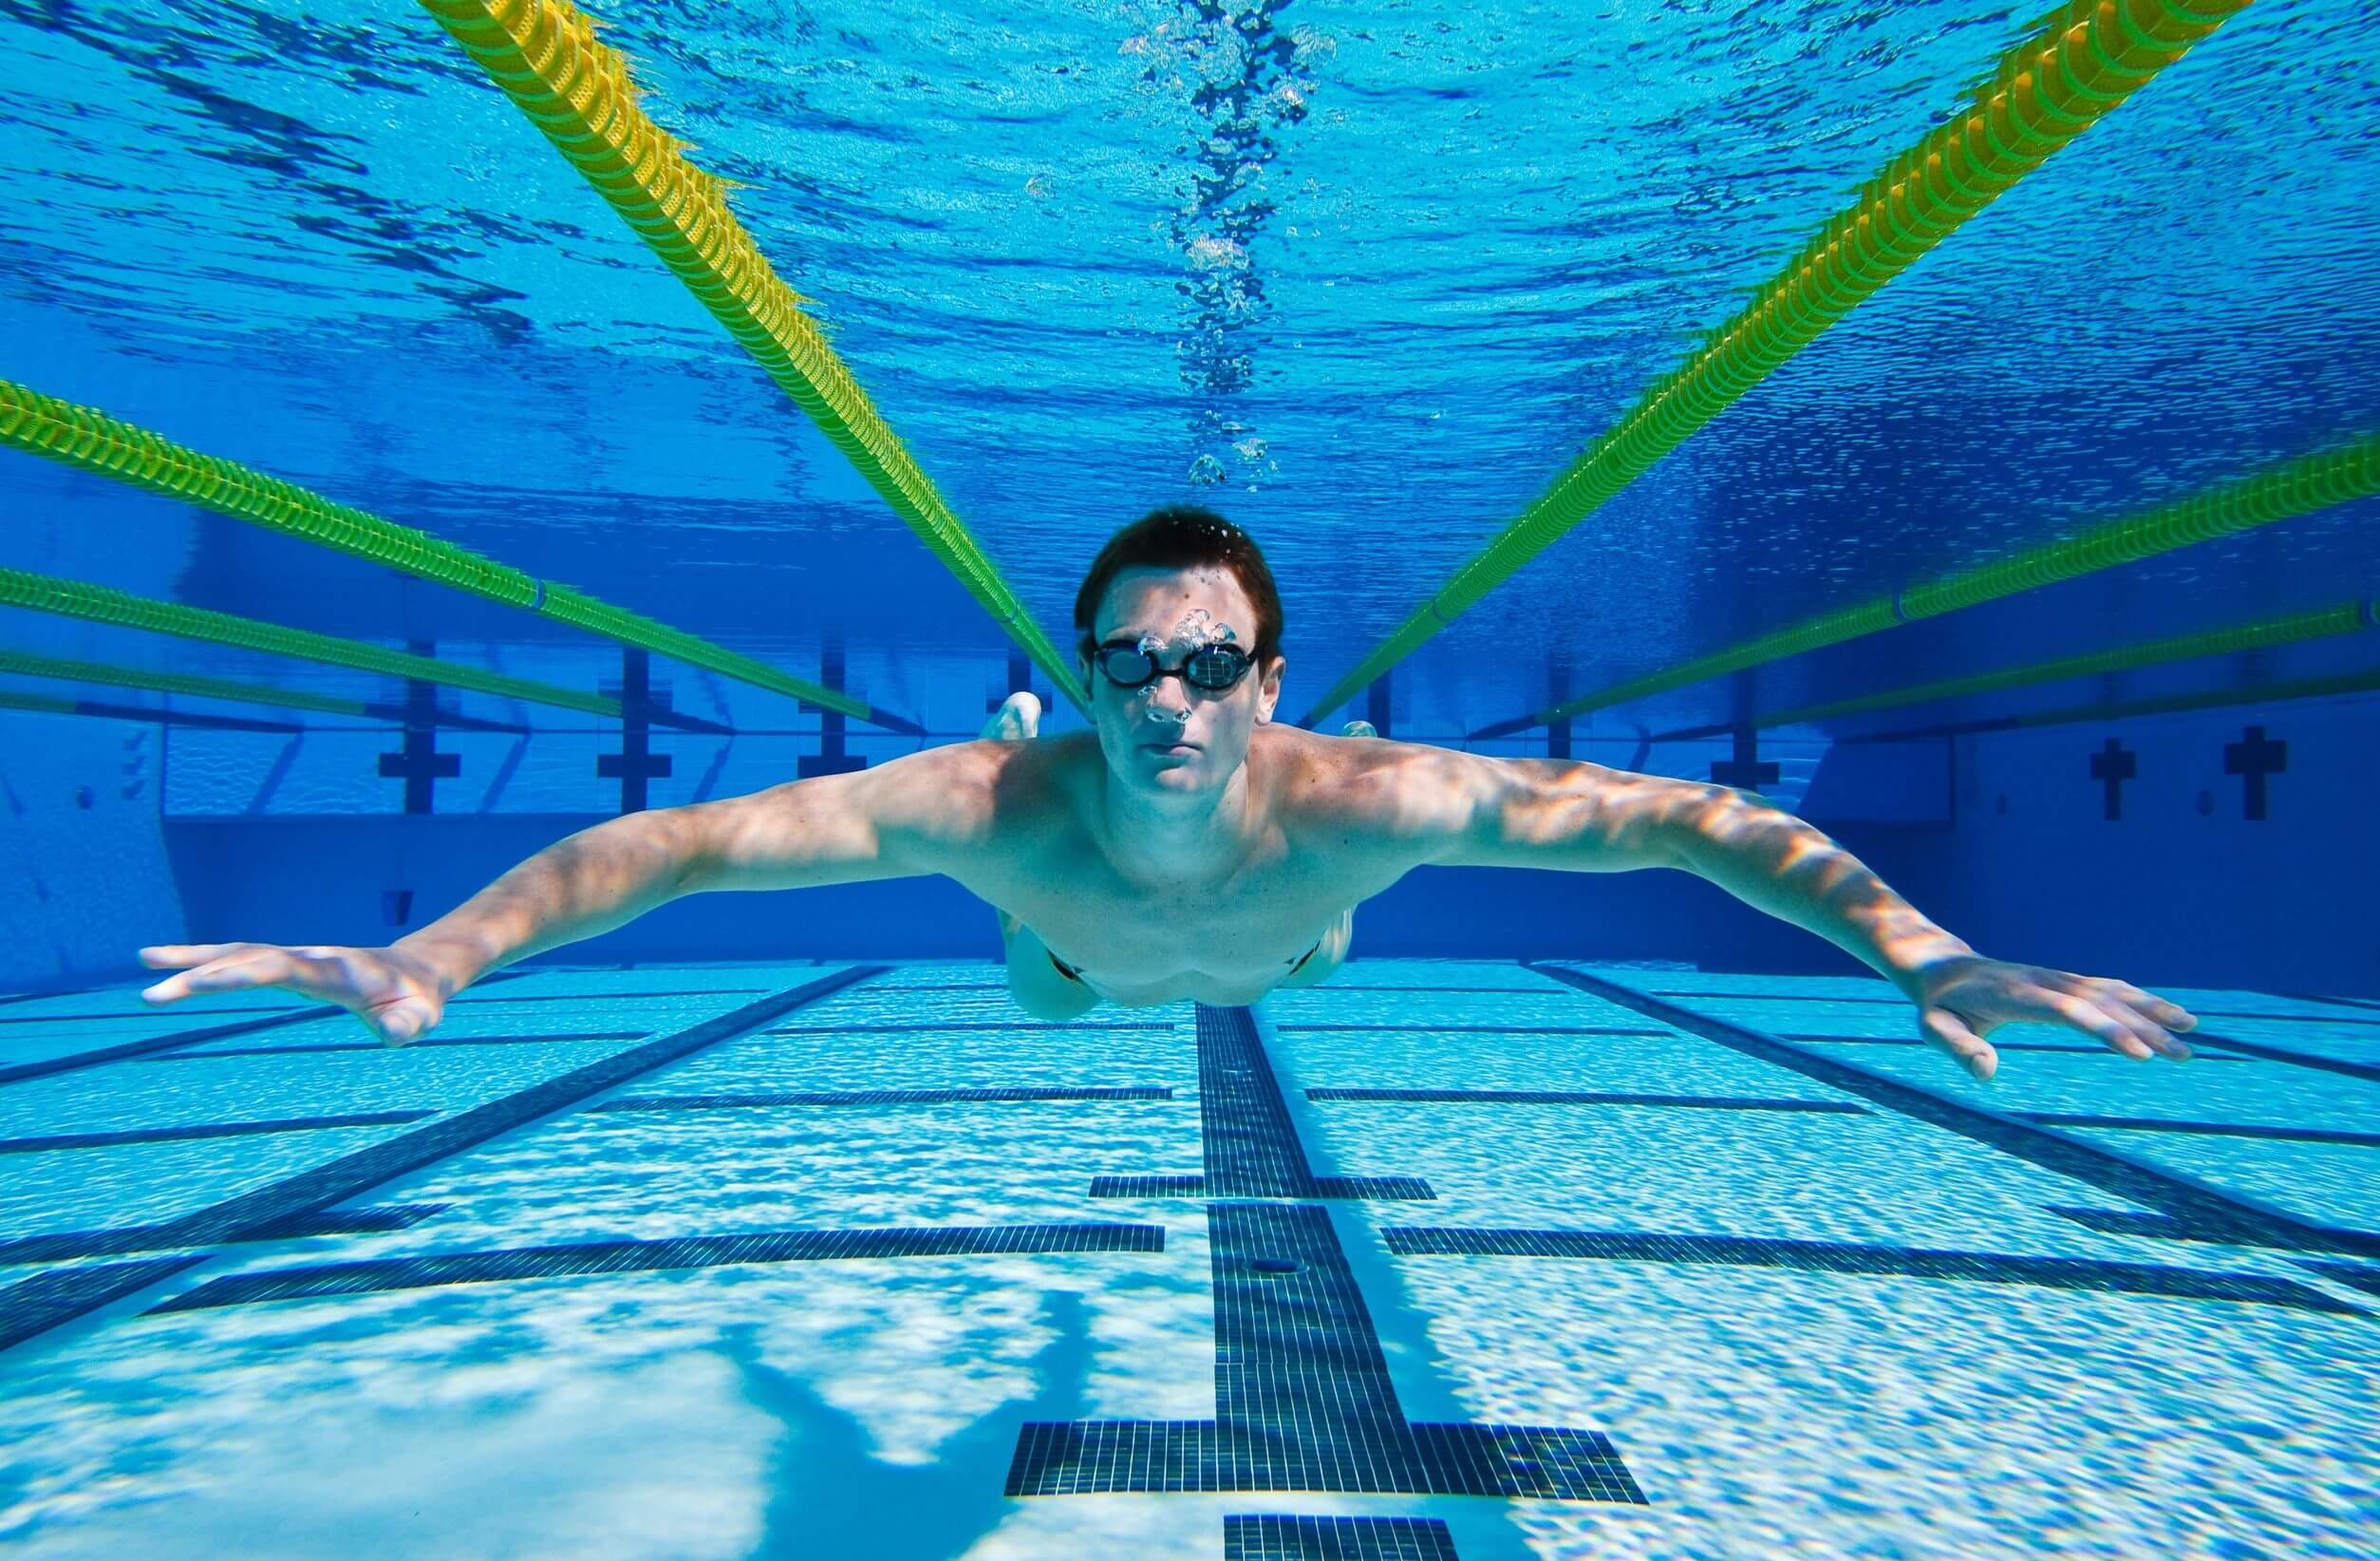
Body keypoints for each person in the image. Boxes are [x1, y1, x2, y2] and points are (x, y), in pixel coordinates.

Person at [139, 506, 2197, 1080]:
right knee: (1052, 972)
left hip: (1289, 927)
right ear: (1090, 674)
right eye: (1128, 659)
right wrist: (436, 953)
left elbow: (1674, 821)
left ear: (1270, 680)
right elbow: (669, 851)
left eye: (1208, 658)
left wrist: (1921, 951)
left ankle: (1274, 942)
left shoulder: (1361, 787)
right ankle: (1085, 961)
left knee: (1303, 947)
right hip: (1071, 944)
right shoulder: (995, 801)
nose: (1168, 692)